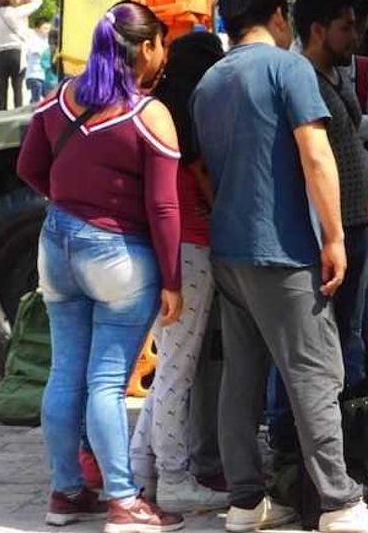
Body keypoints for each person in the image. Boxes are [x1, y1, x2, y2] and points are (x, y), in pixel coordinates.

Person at [190, 0, 368, 533]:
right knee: (316, 371)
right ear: (279, 17)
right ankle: (340, 502)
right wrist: (334, 238)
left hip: (230, 248)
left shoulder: (210, 81)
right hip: (283, 247)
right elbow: (317, 155)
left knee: (242, 376)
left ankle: (245, 503)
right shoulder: (288, 69)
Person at [16, 1, 185, 533]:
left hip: (57, 243)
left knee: (67, 372)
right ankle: (123, 501)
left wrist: (69, 203)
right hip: (119, 255)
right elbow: (163, 207)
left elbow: (27, 167)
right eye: (161, 43)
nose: (164, 55)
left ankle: (66, 493)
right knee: (107, 381)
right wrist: (173, 280)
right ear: (148, 47)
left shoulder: (59, 99)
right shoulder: (148, 113)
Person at [130, 30, 229, 513]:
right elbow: (203, 184)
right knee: (176, 371)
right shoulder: (187, 116)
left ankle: (140, 469)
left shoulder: (154, 107)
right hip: (191, 248)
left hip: (157, 248)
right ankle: (173, 476)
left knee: (171, 361)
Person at [296, 0, 368, 391]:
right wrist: (332, 234)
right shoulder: (300, 79)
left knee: (351, 331)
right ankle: (292, 430)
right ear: (317, 30)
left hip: (355, 223)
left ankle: (345, 421)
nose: (356, 36)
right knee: (317, 335)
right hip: (328, 231)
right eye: (346, 27)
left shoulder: (339, 73)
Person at [0, 0, 41, 110]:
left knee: (2, 88)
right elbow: (38, 1)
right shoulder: (17, 12)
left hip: (0, 55)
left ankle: (1, 115)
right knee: (17, 88)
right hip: (16, 53)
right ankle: (17, 116)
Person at [25, 21, 51, 103]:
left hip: (44, 75)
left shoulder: (48, 42)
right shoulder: (33, 40)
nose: (47, 31)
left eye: (49, 29)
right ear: (38, 29)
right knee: (36, 98)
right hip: (34, 75)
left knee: (46, 97)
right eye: (45, 28)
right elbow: (39, 53)